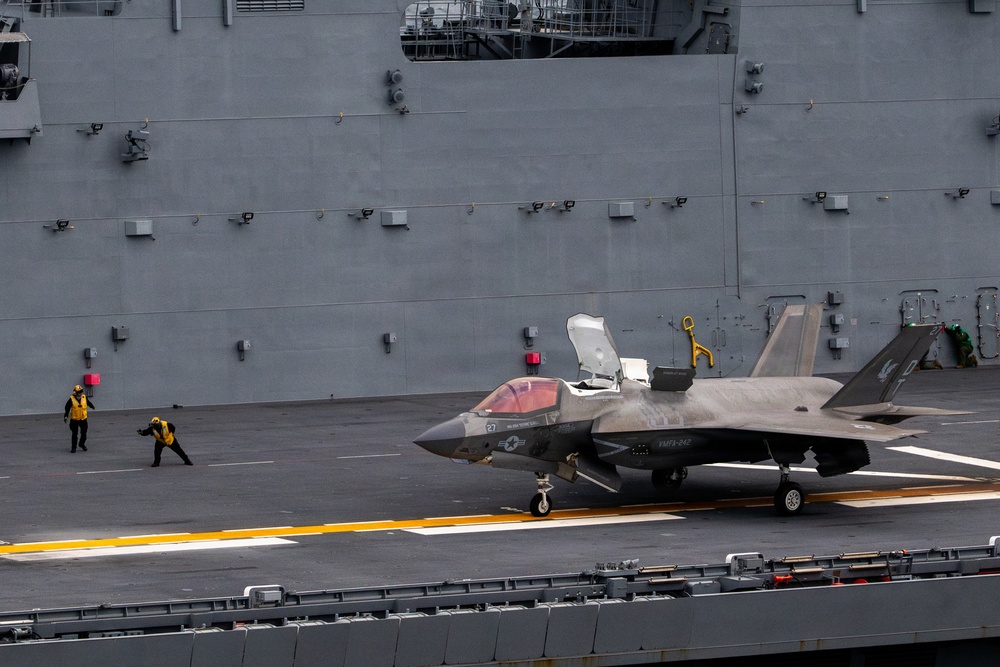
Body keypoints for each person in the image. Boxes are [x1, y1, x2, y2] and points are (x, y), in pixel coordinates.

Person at [63, 385, 94, 453]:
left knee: (84, 433)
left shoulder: (84, 397)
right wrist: (66, 416)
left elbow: (88, 403)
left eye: (81, 392)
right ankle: (74, 447)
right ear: (75, 392)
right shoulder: (71, 399)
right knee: (74, 434)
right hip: (74, 420)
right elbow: (67, 408)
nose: (80, 393)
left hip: (83, 419)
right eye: (78, 392)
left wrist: (92, 406)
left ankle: (81, 444)